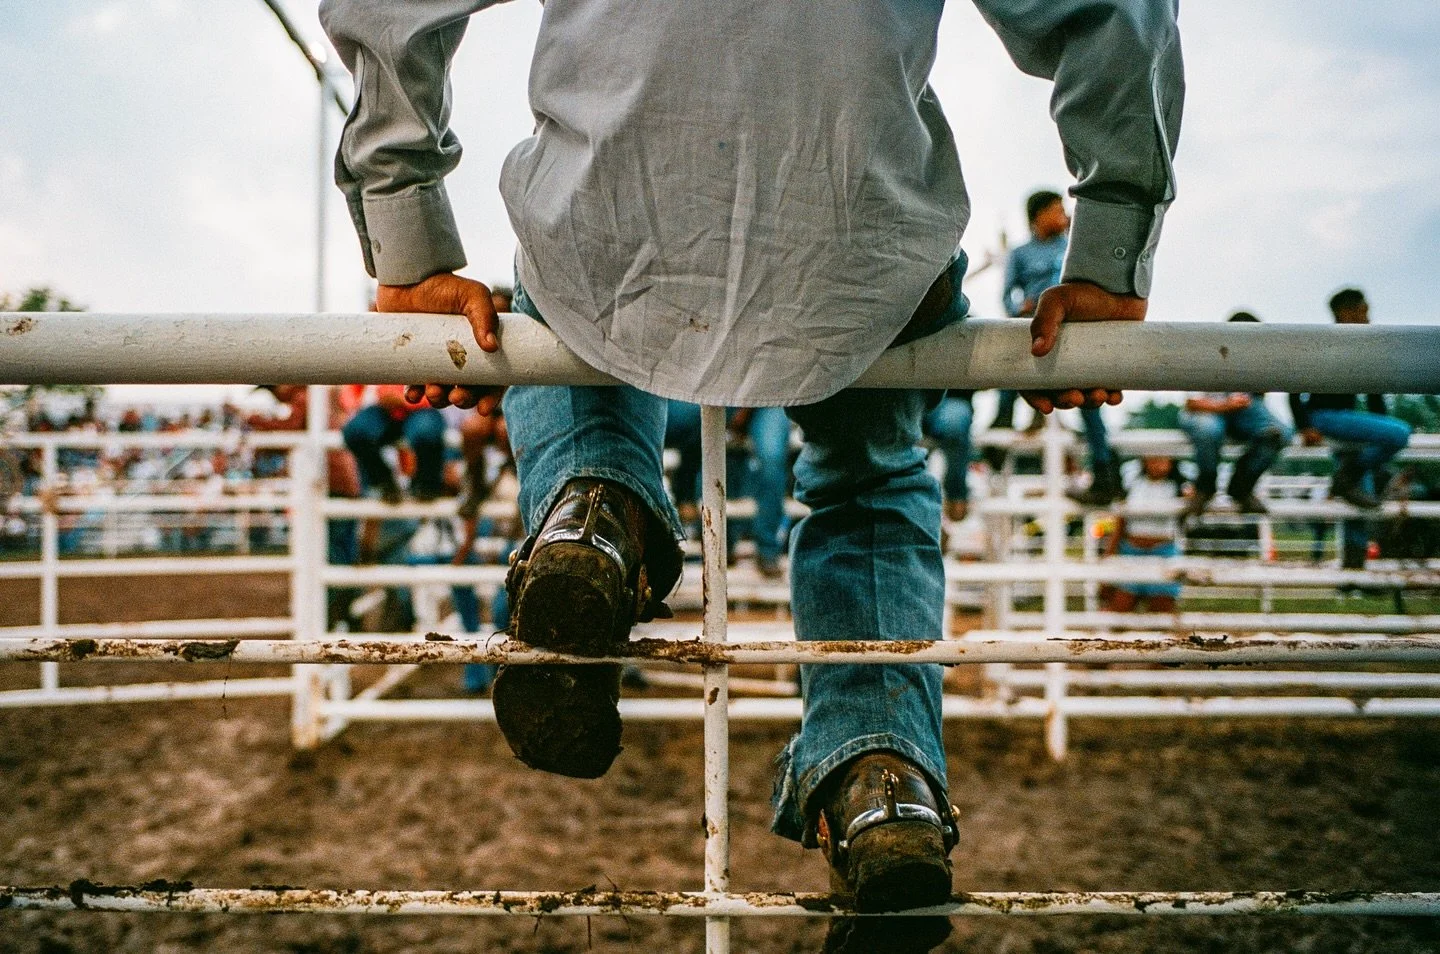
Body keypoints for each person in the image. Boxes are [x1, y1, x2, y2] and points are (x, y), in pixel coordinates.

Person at [321, 0, 1182, 945]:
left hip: (612, 206)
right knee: (867, 479)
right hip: (861, 225)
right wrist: (1113, 243)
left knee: (561, 319)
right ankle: (880, 781)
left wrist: (403, 225)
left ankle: (593, 517)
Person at [997, 191, 1121, 504]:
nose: (1063, 215)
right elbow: (1006, 296)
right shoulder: (1020, 253)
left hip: (1074, 330)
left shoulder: (1072, 247)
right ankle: (997, 445)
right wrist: (1019, 308)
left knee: (1090, 402)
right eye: (1055, 210)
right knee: (1009, 377)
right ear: (1036, 216)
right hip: (1034, 327)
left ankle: (1105, 472)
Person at [1290, 289, 1412, 510]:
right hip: (1324, 418)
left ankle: (1348, 478)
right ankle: (1348, 475)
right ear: (1345, 313)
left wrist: (1375, 429)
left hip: (1343, 422)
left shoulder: (1361, 348)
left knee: (1360, 500)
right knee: (1399, 433)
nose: (1368, 319)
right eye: (1363, 312)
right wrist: (1305, 426)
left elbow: (1374, 395)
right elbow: (1294, 389)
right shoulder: (1322, 344)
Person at [1177, 312, 1293, 518]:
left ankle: (1241, 485)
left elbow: (1257, 403)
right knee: (1208, 429)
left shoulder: (1254, 363)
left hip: (1236, 413)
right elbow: (1192, 402)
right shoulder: (1207, 355)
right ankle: (1206, 486)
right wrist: (1227, 404)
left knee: (1279, 433)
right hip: (1210, 411)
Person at [1102, 456, 1184, 613]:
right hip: (1132, 549)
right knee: (1121, 606)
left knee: (1162, 608)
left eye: (1162, 458)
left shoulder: (1179, 486)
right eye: (1152, 458)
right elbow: (1121, 520)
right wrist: (1111, 550)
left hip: (1163, 551)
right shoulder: (1132, 483)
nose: (1157, 462)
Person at [342, 383, 447, 503]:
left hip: (422, 408)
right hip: (384, 407)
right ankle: (384, 482)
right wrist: (367, 400)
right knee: (356, 432)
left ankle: (425, 485)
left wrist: (402, 400)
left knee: (426, 433)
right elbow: (351, 391)